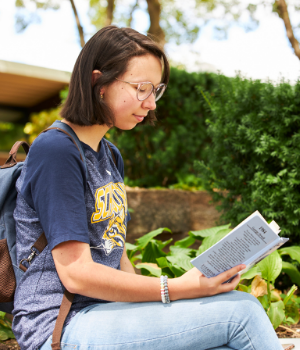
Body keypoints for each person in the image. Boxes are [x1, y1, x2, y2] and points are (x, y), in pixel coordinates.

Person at [12, 26, 283, 350]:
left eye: (156, 90)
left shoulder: (108, 154)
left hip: (106, 314)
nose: (151, 103)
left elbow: (114, 249)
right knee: (243, 313)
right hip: (60, 325)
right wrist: (175, 289)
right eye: (142, 88)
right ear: (98, 82)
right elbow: (77, 274)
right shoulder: (56, 151)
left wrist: (162, 298)